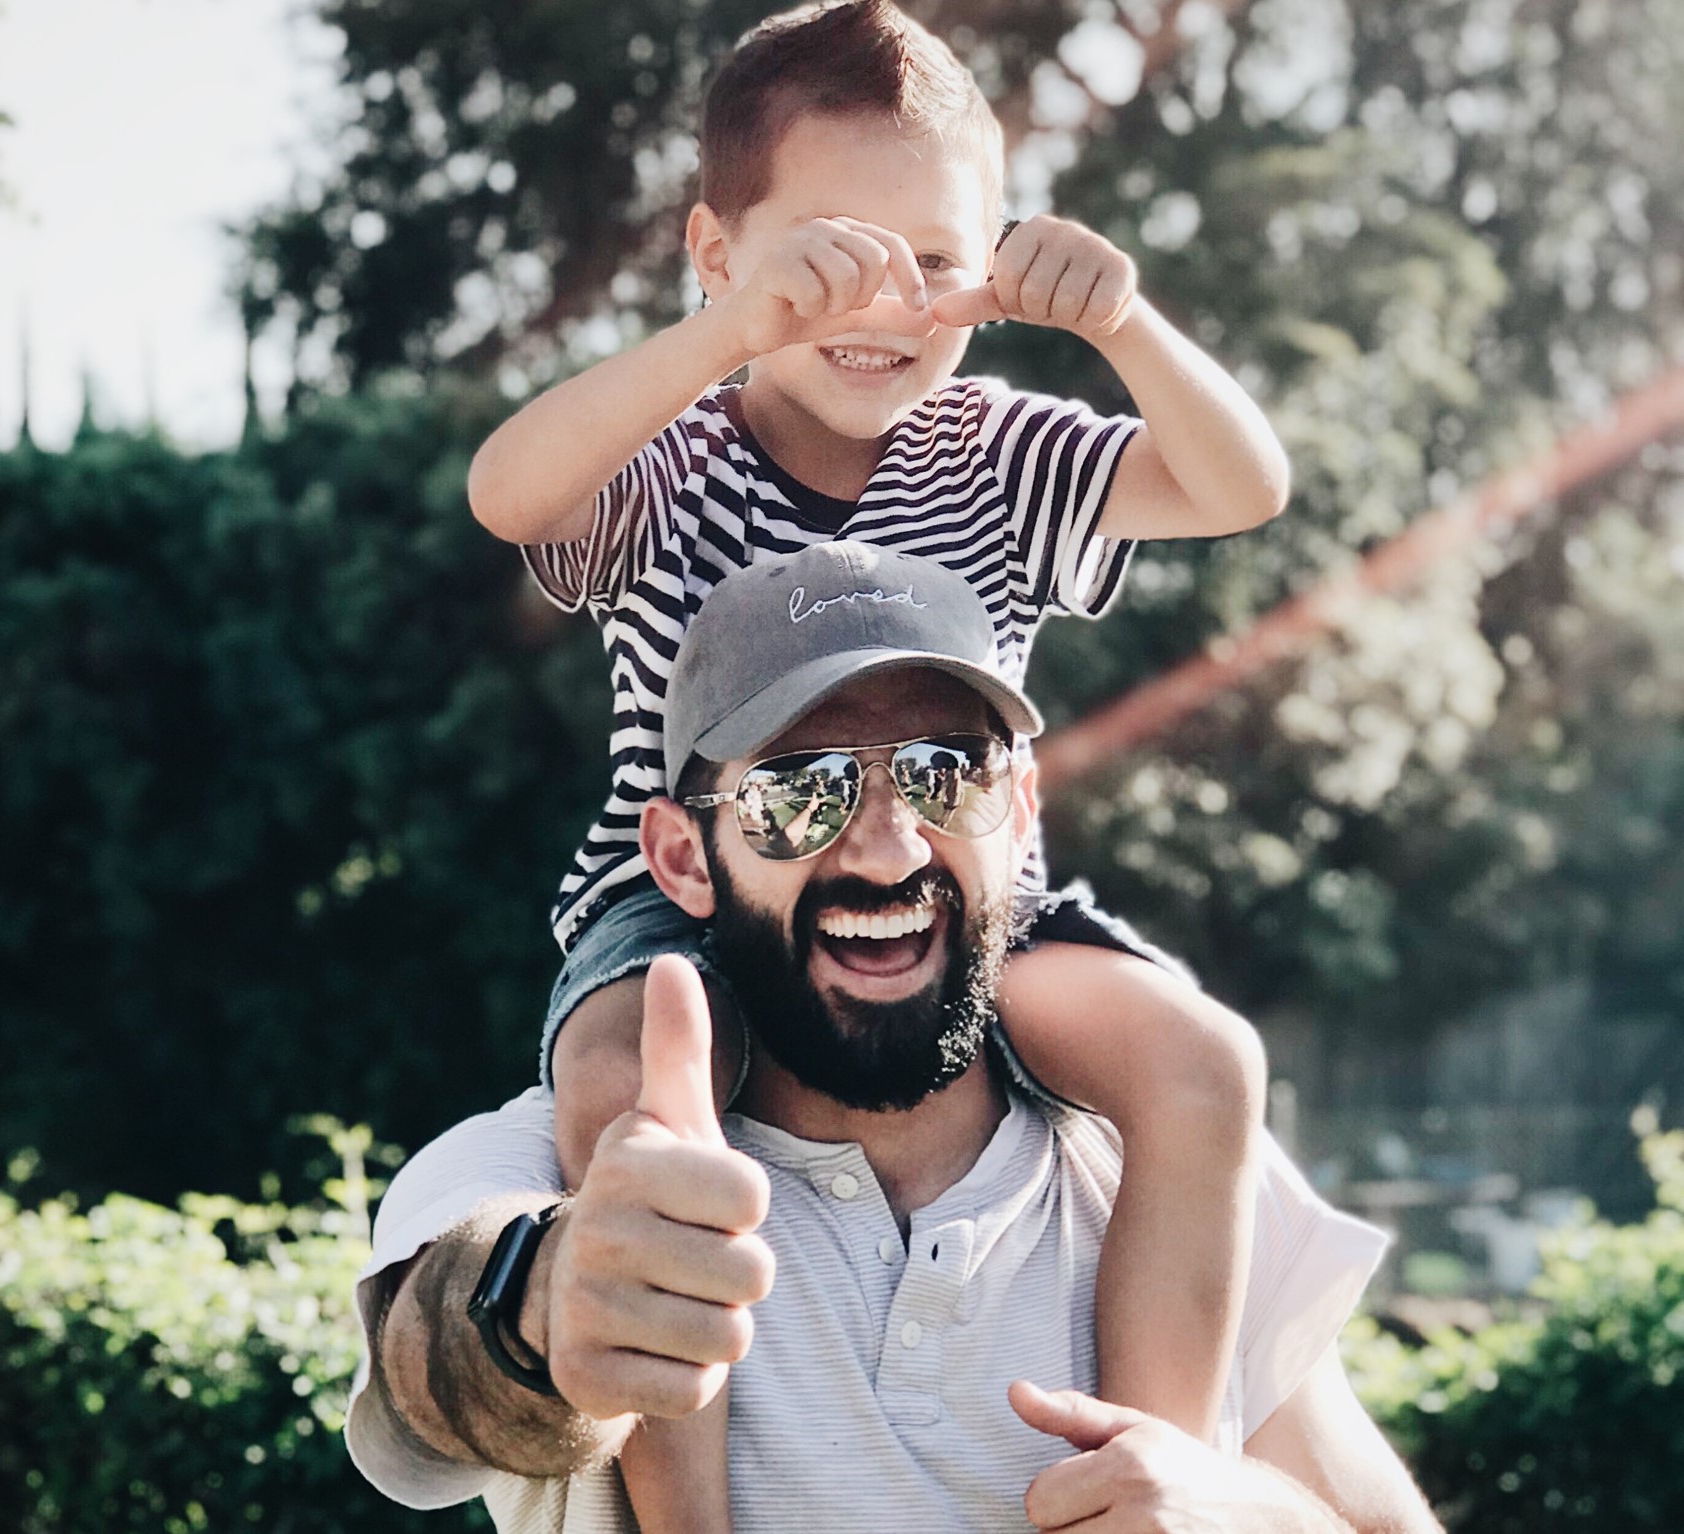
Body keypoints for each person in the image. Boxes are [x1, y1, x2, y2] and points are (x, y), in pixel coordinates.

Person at [468, 3, 1294, 1526]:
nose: (886, 299)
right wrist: (730, 334)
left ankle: (1144, 1469)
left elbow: (1245, 487)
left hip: (971, 897)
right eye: (829, 252)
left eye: (934, 258)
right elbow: (508, 492)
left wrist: (1124, 323)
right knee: (622, 1090)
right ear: (719, 251)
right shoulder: (674, 451)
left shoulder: (1000, 446)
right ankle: (685, 1514)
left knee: (1202, 1060)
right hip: (696, 899)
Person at [346, 543, 1443, 1533]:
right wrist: (537, 1306)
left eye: (943, 774)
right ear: (683, 857)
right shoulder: (573, 1166)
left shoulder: (1165, 1174)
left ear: (1016, 812)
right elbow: (426, 1373)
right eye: (797, 792)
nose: (884, 849)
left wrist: (1248, 1514)